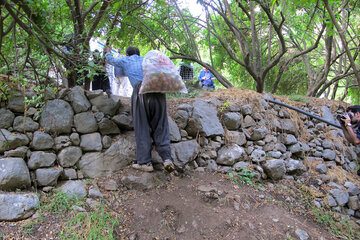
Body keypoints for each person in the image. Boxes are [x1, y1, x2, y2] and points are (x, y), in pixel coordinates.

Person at [104, 46, 175, 172]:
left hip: (142, 91)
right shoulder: (146, 60)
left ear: (127, 54)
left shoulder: (126, 60)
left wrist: (108, 53)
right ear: (139, 53)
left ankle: (145, 163)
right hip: (158, 91)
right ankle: (167, 159)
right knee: (161, 124)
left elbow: (111, 61)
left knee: (142, 126)